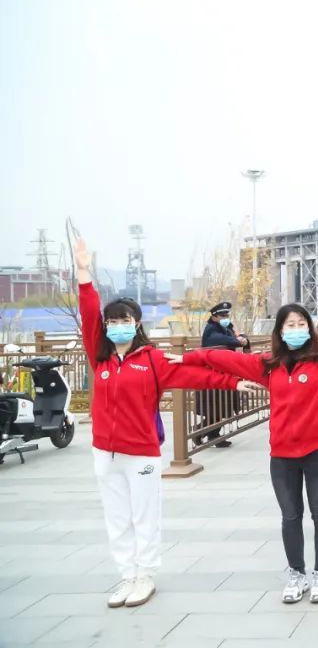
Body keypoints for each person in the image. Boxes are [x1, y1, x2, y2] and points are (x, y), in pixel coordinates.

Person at [75, 238, 256, 609]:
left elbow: (193, 374)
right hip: (104, 453)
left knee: (144, 516)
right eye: (112, 321)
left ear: (136, 323)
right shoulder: (100, 359)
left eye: (124, 320)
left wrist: (233, 382)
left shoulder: (152, 360)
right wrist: (83, 275)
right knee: (117, 518)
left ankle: (145, 575)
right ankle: (127, 575)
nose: (117, 326)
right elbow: (88, 315)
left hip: (141, 452)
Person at [171, 246, 318, 604]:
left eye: (301, 324)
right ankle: (296, 573)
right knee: (290, 517)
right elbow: (223, 359)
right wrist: (188, 358)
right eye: (290, 325)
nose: (296, 329)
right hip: (282, 455)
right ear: (280, 331)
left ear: (309, 329)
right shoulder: (268, 365)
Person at [196, 301, 251, 448]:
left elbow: (236, 336)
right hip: (212, 374)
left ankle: (212, 435)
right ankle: (199, 432)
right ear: (214, 317)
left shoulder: (226, 327)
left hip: (224, 371)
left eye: (227, 315)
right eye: (222, 315)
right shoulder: (211, 329)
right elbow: (221, 340)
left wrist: (242, 339)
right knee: (216, 407)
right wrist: (238, 341)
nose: (225, 318)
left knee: (222, 406)